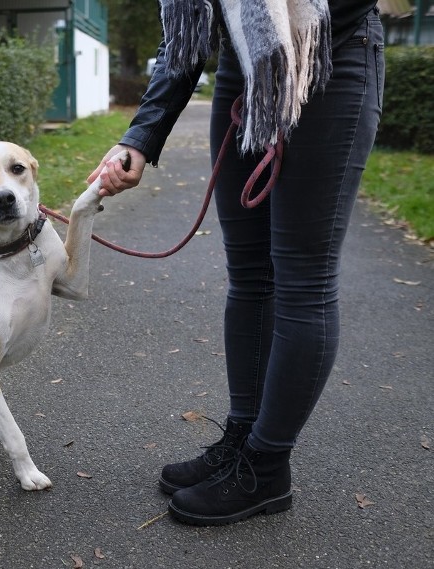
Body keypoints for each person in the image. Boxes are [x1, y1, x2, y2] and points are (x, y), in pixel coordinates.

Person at [88, 0, 383, 526]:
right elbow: (190, 28)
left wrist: (284, 53)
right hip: (243, 67)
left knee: (303, 279)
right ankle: (243, 438)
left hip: (327, 54)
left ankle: (267, 467)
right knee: (249, 274)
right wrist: (140, 136)